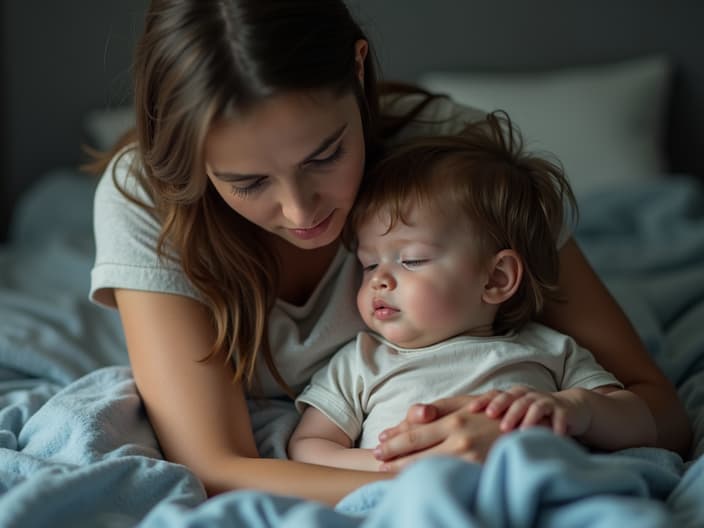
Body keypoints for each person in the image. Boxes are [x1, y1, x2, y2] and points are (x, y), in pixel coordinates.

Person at [87, 0, 689, 505]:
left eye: (324, 155)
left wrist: (546, 423)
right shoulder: (146, 200)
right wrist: (420, 473)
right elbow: (216, 466)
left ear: (357, 67)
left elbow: (658, 410)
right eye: (248, 183)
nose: (302, 213)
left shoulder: (458, 167)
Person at [287, 113, 657, 471]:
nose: (379, 281)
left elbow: (641, 421)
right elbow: (309, 446)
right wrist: (385, 467)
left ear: (496, 279)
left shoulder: (550, 350)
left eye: (411, 260)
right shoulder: (361, 362)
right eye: (369, 265)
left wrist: (581, 409)